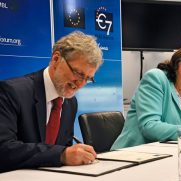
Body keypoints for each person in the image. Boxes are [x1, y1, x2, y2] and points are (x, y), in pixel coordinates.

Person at [0, 31, 103, 172]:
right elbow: (4, 149)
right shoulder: (12, 92)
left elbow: (64, 146)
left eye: (88, 78)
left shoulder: (70, 103)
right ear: (56, 59)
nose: (80, 84)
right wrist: (61, 155)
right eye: (78, 74)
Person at [111, 44, 181, 150]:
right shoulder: (156, 78)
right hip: (135, 153)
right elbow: (149, 126)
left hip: (171, 153)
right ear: (179, 61)